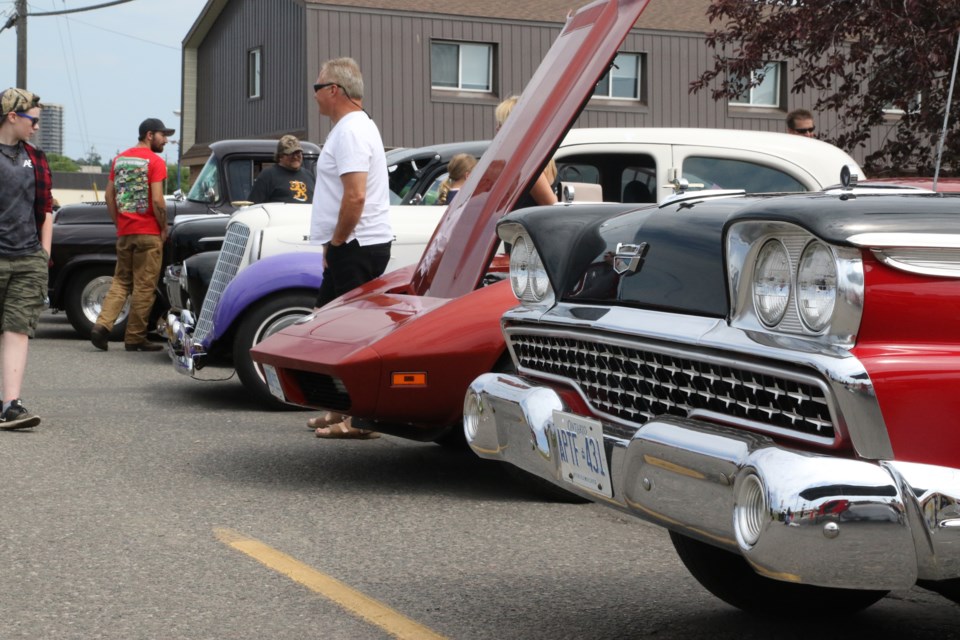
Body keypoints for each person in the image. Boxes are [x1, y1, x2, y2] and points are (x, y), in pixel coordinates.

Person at [308, 57, 393, 440]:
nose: (315, 95)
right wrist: (332, 243)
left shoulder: (352, 131)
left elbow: (355, 196)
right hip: (350, 245)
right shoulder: (352, 127)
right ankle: (338, 407)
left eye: (317, 87)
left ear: (334, 90)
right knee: (326, 322)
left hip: (357, 244)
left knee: (351, 333)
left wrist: (339, 239)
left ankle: (357, 418)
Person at [89, 118, 172, 353]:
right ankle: (135, 338)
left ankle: (102, 325)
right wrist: (163, 226)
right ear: (149, 135)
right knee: (144, 286)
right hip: (149, 234)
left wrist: (121, 224)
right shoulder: (155, 161)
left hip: (125, 233)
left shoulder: (120, 159)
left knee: (120, 282)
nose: (165, 140)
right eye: (162, 135)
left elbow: (108, 196)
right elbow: (157, 200)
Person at [0, 88, 53, 429]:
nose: (36, 127)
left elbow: (46, 209)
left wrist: (43, 254)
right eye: (32, 120)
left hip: (28, 258)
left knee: (17, 330)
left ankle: (10, 406)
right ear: (12, 117)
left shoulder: (35, 157)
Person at [495, 95, 558, 208]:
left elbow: (550, 204)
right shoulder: (535, 157)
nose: (497, 128)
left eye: (501, 124)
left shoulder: (526, 162)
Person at [248, 135, 315, 204]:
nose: (295, 157)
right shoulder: (267, 176)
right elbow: (254, 206)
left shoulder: (309, 176)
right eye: (291, 153)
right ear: (280, 156)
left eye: (298, 153)